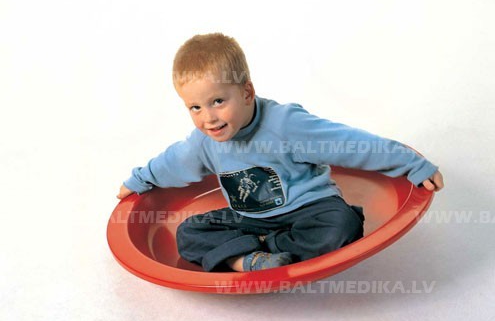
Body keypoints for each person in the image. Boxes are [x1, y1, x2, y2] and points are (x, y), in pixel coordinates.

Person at [117, 33, 444, 272]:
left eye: (218, 101)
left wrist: (411, 164)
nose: (208, 117)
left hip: (308, 210)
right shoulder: (204, 141)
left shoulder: (285, 125)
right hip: (250, 220)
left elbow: (349, 143)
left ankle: (258, 251)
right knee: (189, 233)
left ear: (247, 92)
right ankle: (247, 260)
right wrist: (140, 179)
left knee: (341, 225)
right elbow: (173, 162)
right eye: (195, 107)